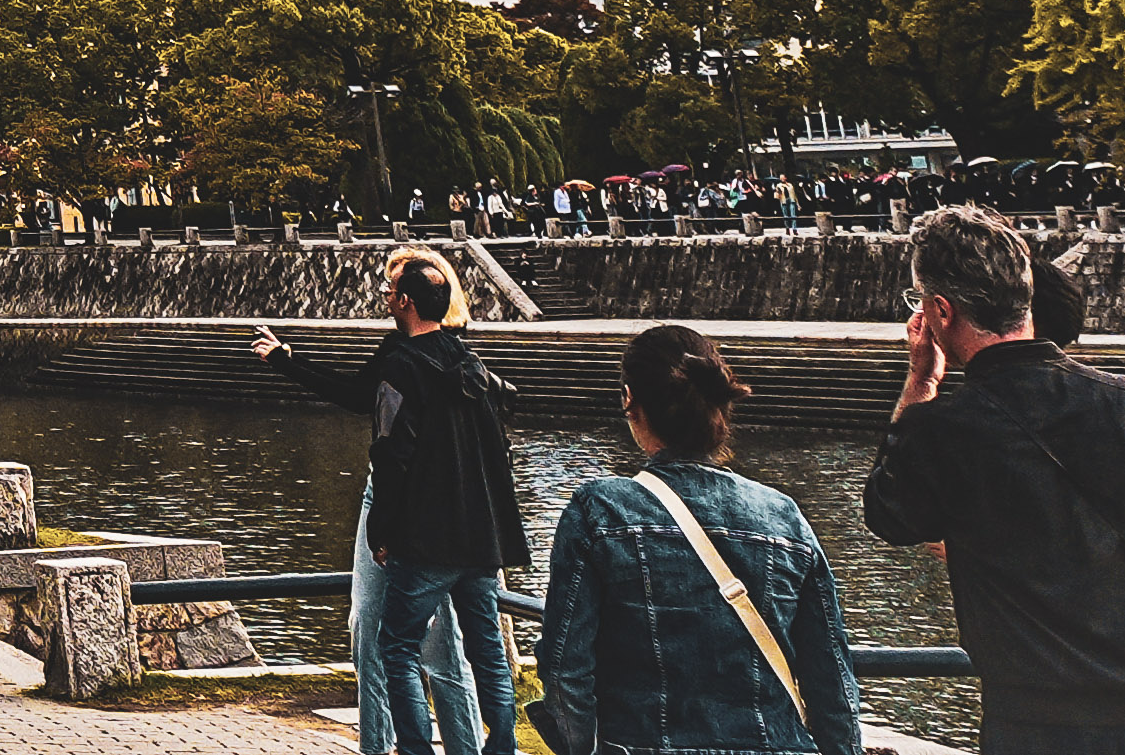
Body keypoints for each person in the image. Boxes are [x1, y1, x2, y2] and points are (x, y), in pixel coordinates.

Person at [864, 207, 1125, 755]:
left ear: (940, 310)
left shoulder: (943, 430)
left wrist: (921, 380)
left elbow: (889, 515)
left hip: (1039, 719)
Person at [541, 325, 862, 755]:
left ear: (629, 400)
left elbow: (566, 667)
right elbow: (831, 677)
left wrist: (580, 746)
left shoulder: (600, 511)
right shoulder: (785, 515)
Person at [256, 246, 525, 755]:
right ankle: (502, 747)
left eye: (388, 289)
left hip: (425, 532)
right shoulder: (468, 362)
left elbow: (391, 455)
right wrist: (289, 362)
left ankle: (416, 749)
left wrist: (383, 533)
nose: (382, 295)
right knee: (485, 649)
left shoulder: (401, 366)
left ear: (404, 300)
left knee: (398, 647)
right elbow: (496, 452)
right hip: (477, 533)